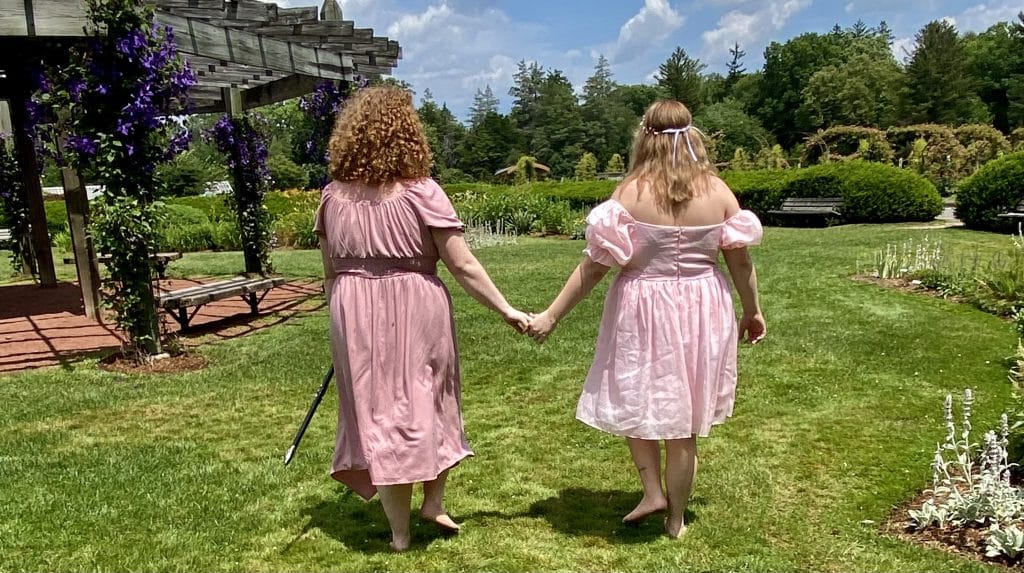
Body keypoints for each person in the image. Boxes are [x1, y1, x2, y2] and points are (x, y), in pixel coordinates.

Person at [525, 100, 765, 539]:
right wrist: (752, 310)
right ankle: (674, 519)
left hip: (643, 308)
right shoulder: (718, 191)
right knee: (684, 419)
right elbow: (741, 263)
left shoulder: (630, 193)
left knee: (639, 397)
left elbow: (595, 266)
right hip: (703, 307)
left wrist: (551, 315)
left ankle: (654, 491)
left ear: (645, 137)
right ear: (693, 137)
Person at [314, 86, 531, 552]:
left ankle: (407, 525)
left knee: (382, 412)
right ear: (407, 134)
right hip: (414, 304)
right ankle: (418, 515)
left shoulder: (332, 197)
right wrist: (508, 310)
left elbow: (330, 273)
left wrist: (343, 329)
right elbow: (462, 264)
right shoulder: (421, 192)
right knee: (424, 399)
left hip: (351, 307)